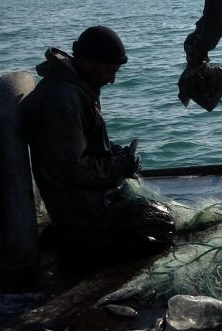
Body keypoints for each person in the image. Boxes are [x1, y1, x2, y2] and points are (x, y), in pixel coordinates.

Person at [21, 25, 174, 258]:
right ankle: (75, 241)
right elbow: (74, 168)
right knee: (162, 225)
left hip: (89, 200)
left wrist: (115, 155)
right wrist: (120, 167)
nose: (112, 80)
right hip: (81, 211)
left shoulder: (75, 89)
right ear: (88, 62)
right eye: (109, 70)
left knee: (158, 216)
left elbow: (83, 147)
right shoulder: (62, 100)